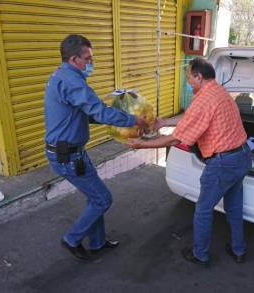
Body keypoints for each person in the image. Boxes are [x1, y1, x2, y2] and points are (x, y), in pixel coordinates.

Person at [127, 58, 252, 267]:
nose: (188, 82)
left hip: (223, 164)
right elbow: (193, 118)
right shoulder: (219, 92)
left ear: (199, 77)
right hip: (242, 157)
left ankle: (200, 254)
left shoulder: (204, 99)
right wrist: (164, 122)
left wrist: (142, 145)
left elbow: (177, 138)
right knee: (234, 206)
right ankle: (239, 250)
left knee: (203, 210)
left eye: (189, 78)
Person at [44, 34, 147, 261]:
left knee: (96, 198)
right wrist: (132, 120)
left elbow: (87, 114)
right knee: (103, 199)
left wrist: (114, 115)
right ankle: (71, 239)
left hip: (73, 153)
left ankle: (98, 243)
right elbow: (98, 111)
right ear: (73, 59)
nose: (91, 63)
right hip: (67, 155)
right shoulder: (71, 81)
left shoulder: (63, 76)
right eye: (88, 59)